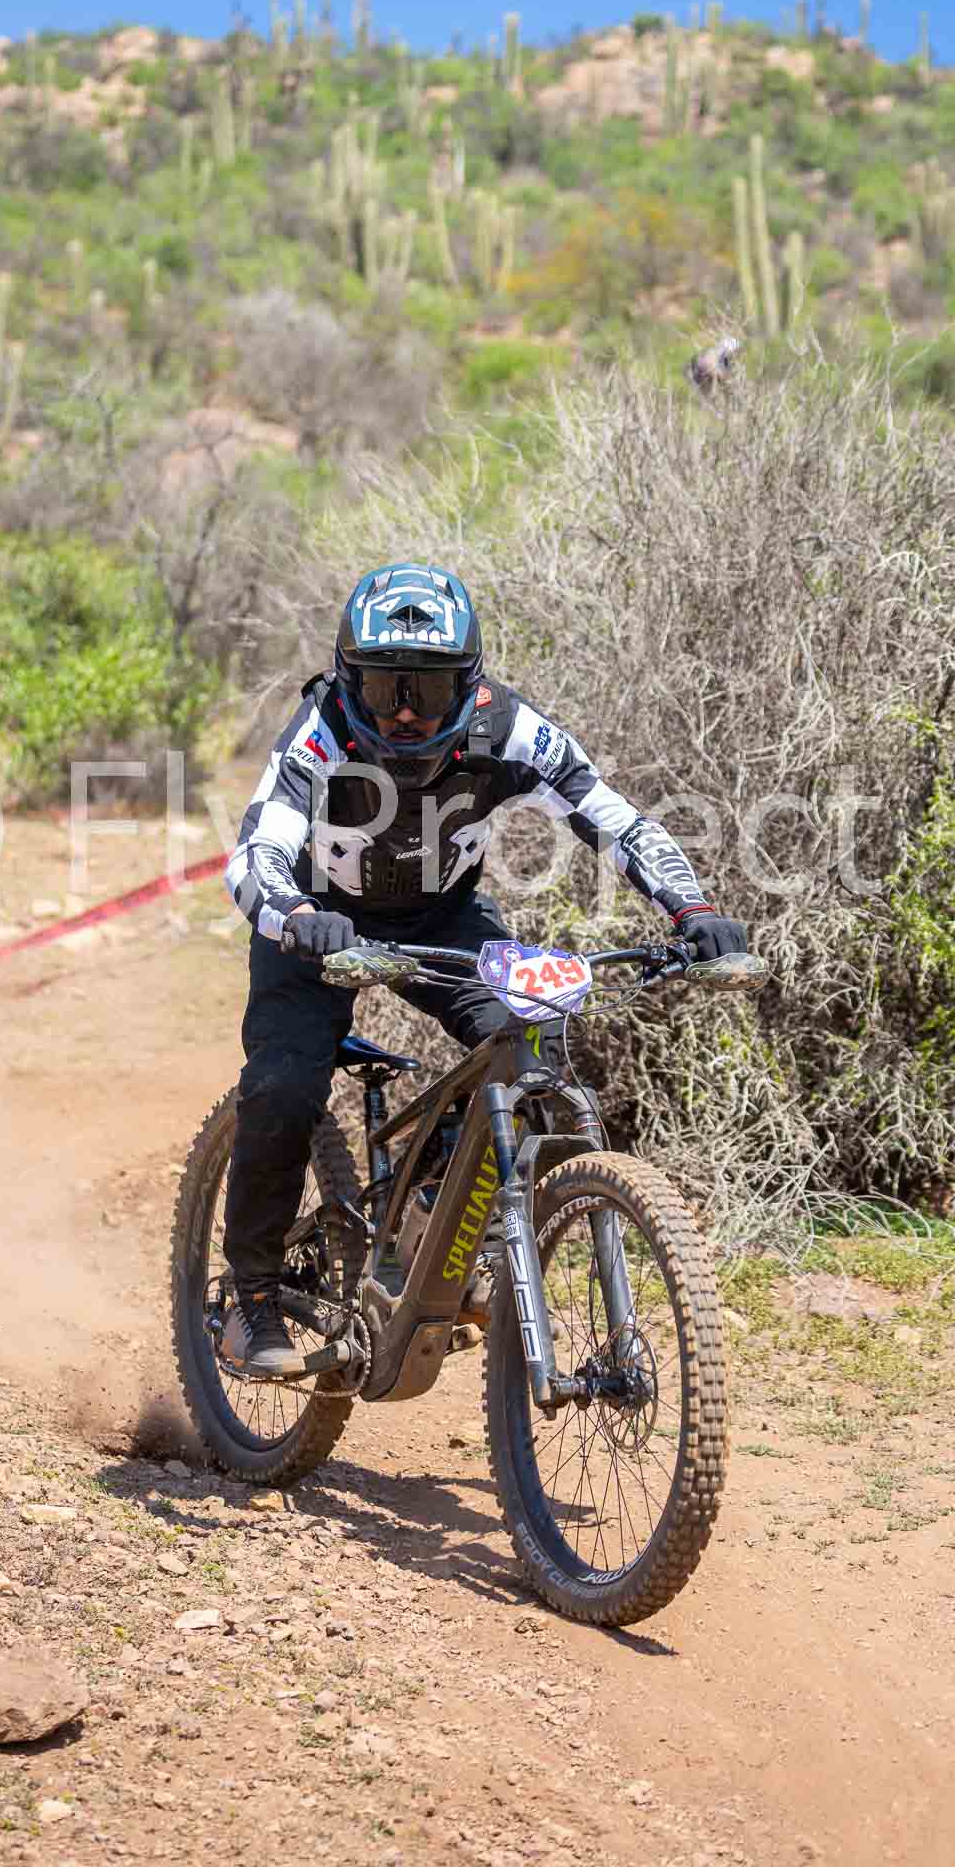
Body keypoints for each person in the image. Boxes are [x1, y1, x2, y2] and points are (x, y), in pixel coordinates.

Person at [222, 562, 747, 1378]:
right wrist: (291, 913)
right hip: (316, 921)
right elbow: (257, 849)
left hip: (444, 916)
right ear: (346, 674)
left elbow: (614, 818)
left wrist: (693, 910)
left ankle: (443, 1219)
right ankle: (251, 1298)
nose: (402, 711)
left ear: (468, 685)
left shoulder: (511, 729)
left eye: (426, 691)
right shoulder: (320, 726)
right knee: (286, 1085)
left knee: (530, 1046)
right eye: (384, 685)